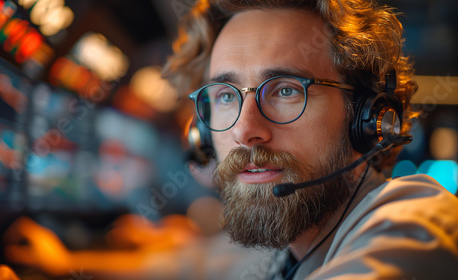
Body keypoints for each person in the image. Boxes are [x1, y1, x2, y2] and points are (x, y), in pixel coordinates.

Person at [161, 0, 458, 279]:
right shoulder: (294, 250)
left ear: (367, 117)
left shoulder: (418, 225)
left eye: (286, 90)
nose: (244, 130)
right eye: (226, 95)